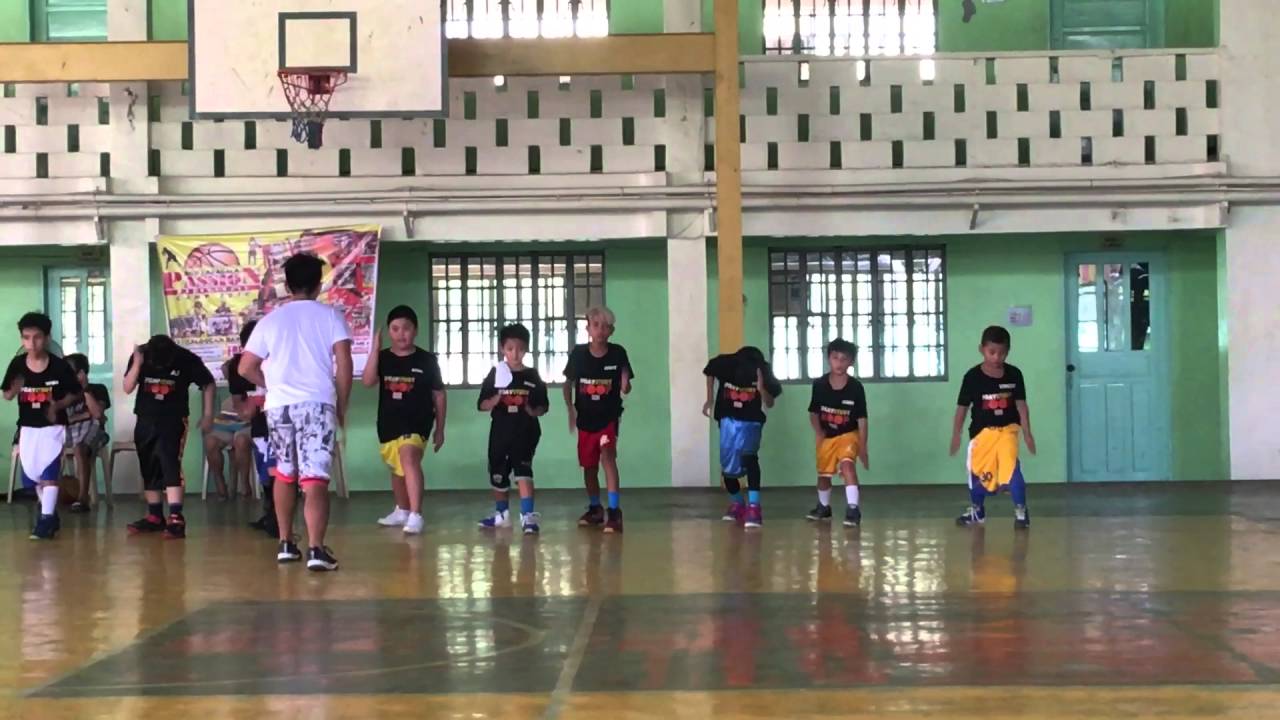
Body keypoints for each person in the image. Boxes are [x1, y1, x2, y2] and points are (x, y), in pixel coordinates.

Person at [239, 253, 352, 572]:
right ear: (319, 285)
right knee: (315, 477)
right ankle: (316, 549)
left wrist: (272, 384)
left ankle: (286, 544)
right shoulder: (331, 316)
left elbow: (246, 367)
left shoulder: (270, 320)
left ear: (287, 285)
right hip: (317, 404)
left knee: (285, 473)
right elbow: (344, 365)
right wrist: (342, 405)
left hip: (279, 408)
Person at [362, 305, 446, 535]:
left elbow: (438, 394)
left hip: (417, 423)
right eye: (395, 329)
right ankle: (402, 510)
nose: (401, 334)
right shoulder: (383, 358)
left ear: (415, 330)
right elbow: (368, 382)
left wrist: (440, 428)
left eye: (406, 328)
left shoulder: (427, 360)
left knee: (408, 459)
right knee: (397, 469)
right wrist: (374, 350)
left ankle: (416, 514)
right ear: (389, 332)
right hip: (388, 424)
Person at [123, 334, 215, 539]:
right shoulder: (141, 355)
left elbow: (208, 383)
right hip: (145, 419)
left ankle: (176, 516)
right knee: (149, 464)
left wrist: (208, 415)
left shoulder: (186, 358)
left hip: (173, 419)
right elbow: (127, 387)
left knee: (170, 462)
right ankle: (155, 516)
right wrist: (137, 363)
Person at [2, 313, 81, 540]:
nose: (32, 343)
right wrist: (15, 388)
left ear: (46, 338)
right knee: (30, 479)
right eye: (27, 338)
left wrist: (58, 405)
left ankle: (45, 521)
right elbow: (7, 394)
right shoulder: (17, 364)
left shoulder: (59, 366)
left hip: (52, 428)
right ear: (22, 340)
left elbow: (75, 394)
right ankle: (51, 513)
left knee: (49, 474)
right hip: (28, 428)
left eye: (37, 337)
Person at [950, 325, 1037, 529]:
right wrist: (956, 433)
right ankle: (977, 510)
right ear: (982, 349)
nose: (997, 357)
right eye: (992, 352)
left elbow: (1021, 405)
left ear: (1008, 351)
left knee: (1012, 469)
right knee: (976, 471)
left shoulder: (1015, 375)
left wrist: (1027, 433)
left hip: (1007, 431)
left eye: (1002, 353)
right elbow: (962, 407)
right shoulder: (972, 377)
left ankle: (1021, 511)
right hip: (982, 435)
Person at [562, 306, 633, 533]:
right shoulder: (578, 354)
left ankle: (614, 511)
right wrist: (570, 409)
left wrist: (625, 384)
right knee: (589, 467)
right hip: (585, 420)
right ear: (588, 329)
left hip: (608, 419)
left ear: (611, 331)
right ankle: (595, 509)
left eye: (606, 327)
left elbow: (625, 381)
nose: (601, 330)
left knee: (607, 458)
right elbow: (568, 383)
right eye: (596, 325)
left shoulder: (618, 353)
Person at [477, 323, 549, 535]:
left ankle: (528, 517)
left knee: (523, 472)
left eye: (519, 349)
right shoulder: (495, 374)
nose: (514, 353)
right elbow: (482, 404)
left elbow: (543, 406)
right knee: (498, 474)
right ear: (502, 349)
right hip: (500, 432)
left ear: (526, 349)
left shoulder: (532, 376)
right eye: (510, 349)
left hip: (525, 432)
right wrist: (496, 398)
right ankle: (502, 515)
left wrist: (532, 410)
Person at [702, 346, 782, 529]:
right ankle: (738, 503)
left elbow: (769, 403)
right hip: (728, 420)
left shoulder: (763, 370)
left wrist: (761, 389)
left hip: (752, 422)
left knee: (750, 458)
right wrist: (709, 398)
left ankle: (754, 507)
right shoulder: (725, 364)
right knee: (728, 470)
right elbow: (709, 371)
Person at [804, 339, 869, 528]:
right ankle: (824, 507)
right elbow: (813, 413)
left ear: (851, 362)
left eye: (844, 359)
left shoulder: (856, 387)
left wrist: (863, 447)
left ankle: (853, 508)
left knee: (848, 466)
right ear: (828, 359)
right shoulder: (820, 384)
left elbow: (862, 420)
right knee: (824, 474)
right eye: (835, 358)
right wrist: (818, 432)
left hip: (849, 434)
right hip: (827, 436)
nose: (839, 363)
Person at [223, 321, 276, 535]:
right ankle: (270, 512)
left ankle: (279, 520)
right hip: (260, 427)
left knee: (280, 472)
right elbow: (242, 409)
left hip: (285, 425)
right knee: (265, 471)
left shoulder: (281, 362)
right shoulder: (238, 367)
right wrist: (254, 404)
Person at [63, 353, 111, 513]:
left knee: (80, 448)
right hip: (69, 432)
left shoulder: (98, 389)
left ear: (82, 373)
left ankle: (83, 498)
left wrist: (85, 389)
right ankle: (50, 495)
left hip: (95, 433)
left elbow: (97, 414)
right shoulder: (63, 394)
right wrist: (83, 415)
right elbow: (63, 419)